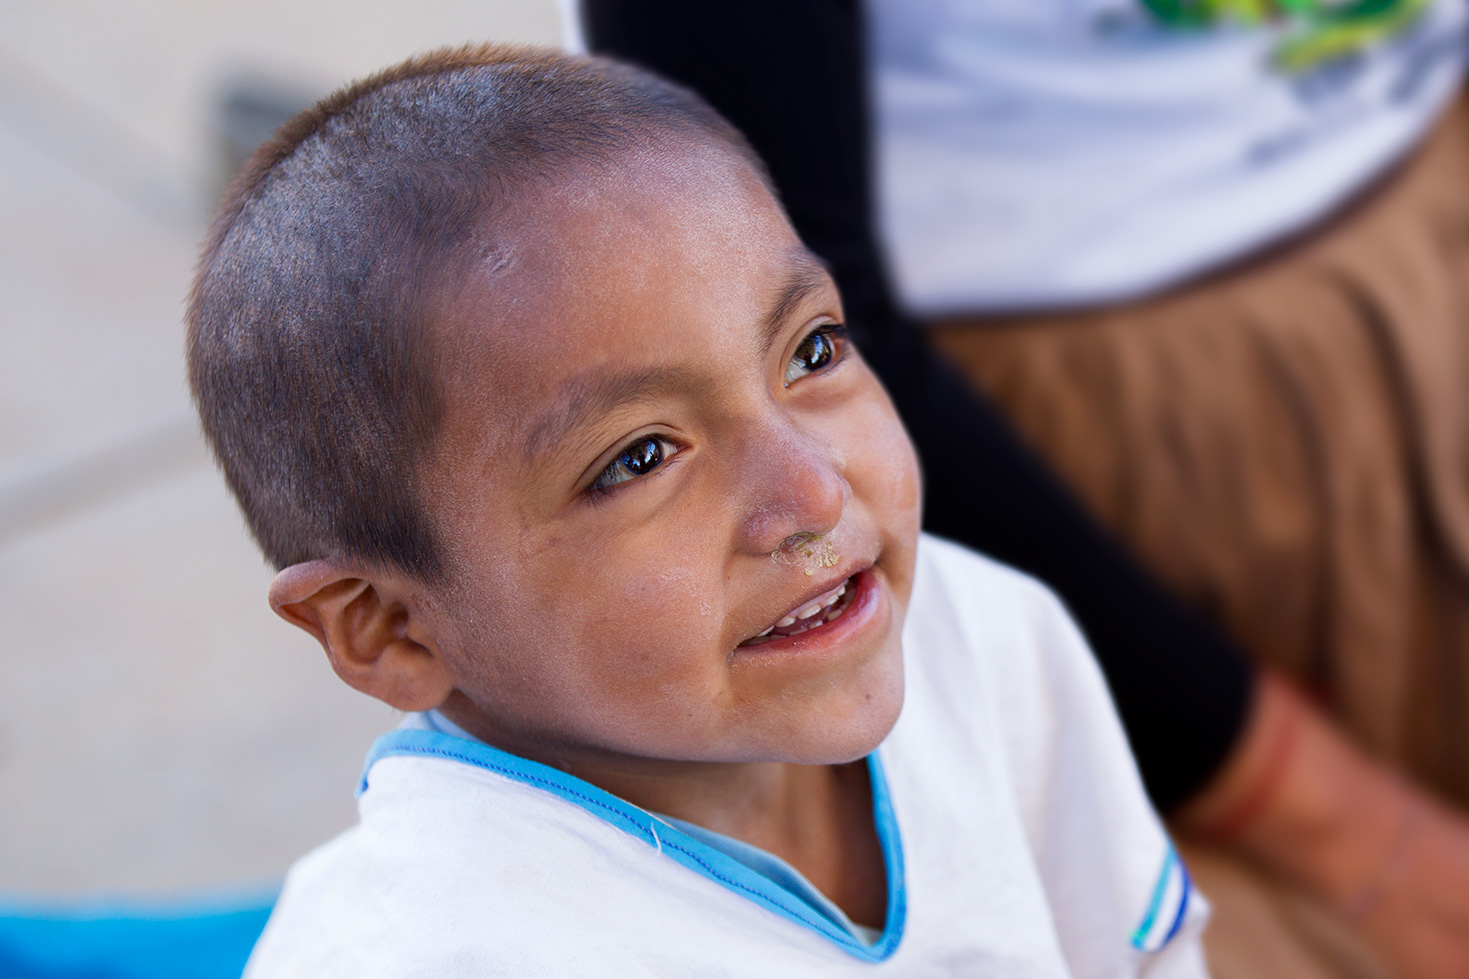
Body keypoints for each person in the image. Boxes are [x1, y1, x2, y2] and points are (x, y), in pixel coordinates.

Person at [189, 44, 1209, 976]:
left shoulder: (978, 632)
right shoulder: (438, 953)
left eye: (809, 351)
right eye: (639, 458)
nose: (811, 491)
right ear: (389, 625)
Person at [577, 2, 1469, 976]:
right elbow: (770, 280)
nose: (801, 501)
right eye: (640, 460)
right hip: (1099, 481)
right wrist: (1347, 831)